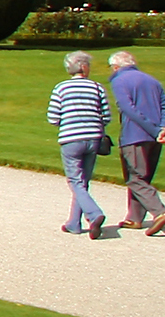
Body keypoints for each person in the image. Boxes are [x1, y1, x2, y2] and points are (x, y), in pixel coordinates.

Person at [107, 50, 165, 235]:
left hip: (134, 136)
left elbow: (128, 109)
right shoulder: (152, 80)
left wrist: (154, 130)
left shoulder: (119, 81)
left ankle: (160, 211)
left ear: (116, 66)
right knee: (143, 178)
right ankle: (134, 218)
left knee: (134, 178)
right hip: (155, 138)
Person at [47, 51, 115, 237]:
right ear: (84, 67)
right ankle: (74, 223)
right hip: (94, 138)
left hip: (70, 139)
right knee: (83, 181)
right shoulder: (97, 87)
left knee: (75, 181)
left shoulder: (61, 88)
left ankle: (94, 215)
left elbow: (53, 118)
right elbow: (106, 117)